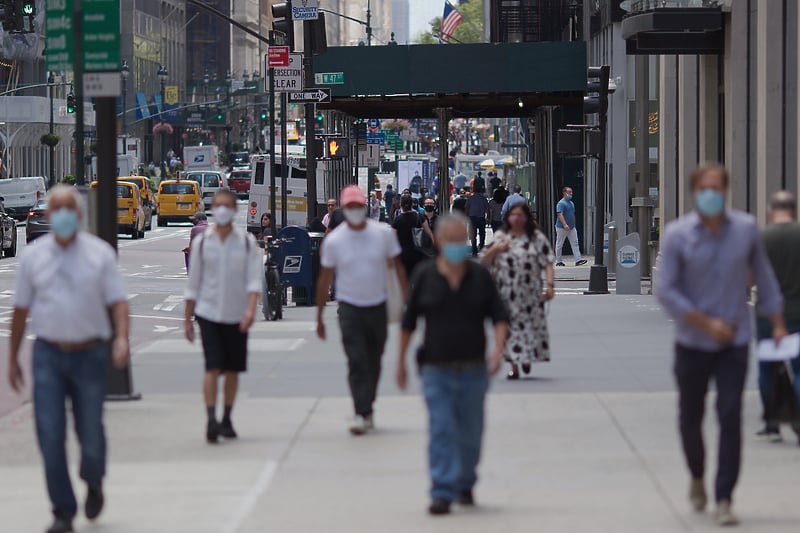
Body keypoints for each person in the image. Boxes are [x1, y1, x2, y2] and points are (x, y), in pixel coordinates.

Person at [656, 163, 787, 526]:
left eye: (716, 187)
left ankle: (725, 496)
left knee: (730, 416)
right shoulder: (677, 235)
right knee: (690, 417)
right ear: (695, 191)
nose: (711, 193)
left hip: (734, 340)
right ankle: (697, 474)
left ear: (725, 191)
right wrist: (702, 321)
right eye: (704, 188)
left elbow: (764, 276)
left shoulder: (745, 230)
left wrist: (777, 322)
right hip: (693, 341)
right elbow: (665, 289)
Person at [7, 186, 130, 533]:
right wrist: (13, 357)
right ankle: (62, 509)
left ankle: (93, 479)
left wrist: (120, 338)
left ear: (78, 215)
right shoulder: (34, 257)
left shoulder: (99, 254)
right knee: (49, 432)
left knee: (89, 430)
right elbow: (20, 310)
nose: (61, 215)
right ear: (48, 216)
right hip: (48, 354)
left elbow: (118, 301)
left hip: (90, 354)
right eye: (55, 209)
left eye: (67, 209)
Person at [397, 214, 509, 516]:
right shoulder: (425, 275)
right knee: (442, 428)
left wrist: (498, 350)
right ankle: (442, 490)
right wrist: (400, 363)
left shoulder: (480, 277)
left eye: (464, 240)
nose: (460, 246)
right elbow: (409, 322)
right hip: (436, 369)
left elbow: (499, 316)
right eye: (454, 241)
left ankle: (465, 482)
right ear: (440, 242)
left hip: (474, 369)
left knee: (470, 434)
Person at [316, 185, 409, 435]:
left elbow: (398, 267)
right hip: (349, 309)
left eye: (359, 206)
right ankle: (361, 411)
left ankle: (368, 403)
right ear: (345, 210)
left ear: (364, 208)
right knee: (357, 360)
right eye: (351, 207)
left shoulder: (382, 234)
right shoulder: (335, 240)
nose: (355, 211)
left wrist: (408, 301)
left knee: (374, 360)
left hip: (377, 306)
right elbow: (325, 277)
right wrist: (319, 316)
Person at [185, 190, 262, 443]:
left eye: (227, 205)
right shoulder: (202, 242)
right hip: (207, 312)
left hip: (236, 313)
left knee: (232, 369)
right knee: (213, 366)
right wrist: (187, 319)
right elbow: (193, 283)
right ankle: (210, 418)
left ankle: (227, 416)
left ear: (234, 209)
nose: (222, 210)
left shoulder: (247, 242)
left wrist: (250, 310)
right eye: (218, 205)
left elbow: (253, 281)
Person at [482, 203, 555, 379]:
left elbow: (548, 261)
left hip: (530, 293)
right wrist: (496, 249)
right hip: (506, 292)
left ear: (527, 218)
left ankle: (526, 358)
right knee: (507, 328)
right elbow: (484, 260)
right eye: (513, 215)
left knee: (530, 327)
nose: (516, 218)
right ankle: (514, 365)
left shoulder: (535, 237)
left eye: (520, 215)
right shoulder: (501, 236)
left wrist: (550, 285)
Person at [756, 191, 800, 444]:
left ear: (771, 211)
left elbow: (748, 277)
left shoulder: (761, 238)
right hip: (797, 312)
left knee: (767, 369)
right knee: (799, 368)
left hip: (766, 315)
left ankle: (772, 424)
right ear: (793, 210)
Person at [393, 194, 430, 278]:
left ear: (401, 204)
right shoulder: (419, 216)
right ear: (412, 204)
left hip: (403, 253)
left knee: (405, 277)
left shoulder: (398, 219)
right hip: (418, 251)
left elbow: (393, 238)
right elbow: (428, 232)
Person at [554, 186, 588, 267]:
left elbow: (573, 214)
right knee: (559, 244)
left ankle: (578, 260)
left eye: (571, 192)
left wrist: (574, 225)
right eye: (569, 192)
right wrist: (564, 224)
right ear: (564, 193)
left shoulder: (571, 203)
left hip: (571, 227)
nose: (571, 194)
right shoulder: (561, 203)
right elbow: (560, 214)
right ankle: (559, 261)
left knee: (575, 243)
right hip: (561, 227)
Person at [465, 185, 489, 256]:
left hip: (472, 218)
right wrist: (488, 217)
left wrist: (466, 217)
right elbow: (487, 209)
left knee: (473, 234)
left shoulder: (470, 198)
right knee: (482, 233)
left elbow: (466, 208)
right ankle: (481, 246)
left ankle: (474, 250)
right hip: (481, 218)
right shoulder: (483, 199)